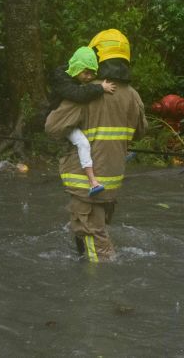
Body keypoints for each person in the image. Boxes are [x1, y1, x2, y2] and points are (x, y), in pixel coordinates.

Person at [45, 29, 146, 262]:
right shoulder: (133, 96)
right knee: (98, 232)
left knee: (93, 242)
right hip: (112, 182)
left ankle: (98, 290)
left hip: (86, 184)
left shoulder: (86, 93)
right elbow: (140, 132)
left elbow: (52, 127)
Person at [47, 46, 117, 195]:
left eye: (92, 73)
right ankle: (93, 182)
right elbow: (78, 94)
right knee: (83, 143)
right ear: (77, 68)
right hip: (62, 120)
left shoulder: (76, 74)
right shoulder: (61, 78)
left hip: (77, 119)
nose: (89, 77)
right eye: (86, 73)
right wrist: (100, 88)